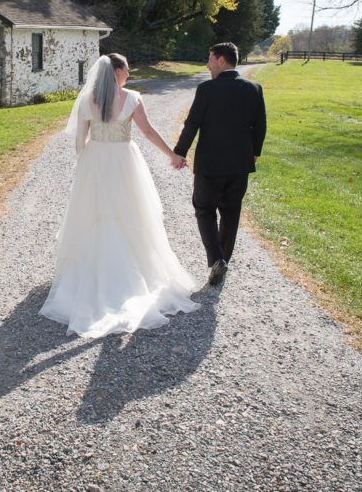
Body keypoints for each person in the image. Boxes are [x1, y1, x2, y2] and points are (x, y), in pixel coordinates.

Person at [40, 54, 199, 338]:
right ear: (116, 71)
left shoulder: (86, 99)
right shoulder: (131, 98)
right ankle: (130, 276)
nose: (129, 73)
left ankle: (91, 274)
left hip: (95, 159)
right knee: (131, 213)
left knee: (94, 214)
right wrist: (172, 155)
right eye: (126, 69)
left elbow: (80, 141)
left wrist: (86, 166)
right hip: (124, 160)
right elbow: (148, 132)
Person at [172, 42, 266, 287]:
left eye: (210, 59)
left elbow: (192, 124)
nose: (207, 64)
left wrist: (180, 152)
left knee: (204, 209)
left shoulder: (207, 89)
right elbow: (260, 125)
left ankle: (216, 260)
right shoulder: (254, 89)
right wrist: (255, 152)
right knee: (231, 212)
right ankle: (223, 259)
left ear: (222, 61)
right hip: (240, 164)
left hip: (210, 164)